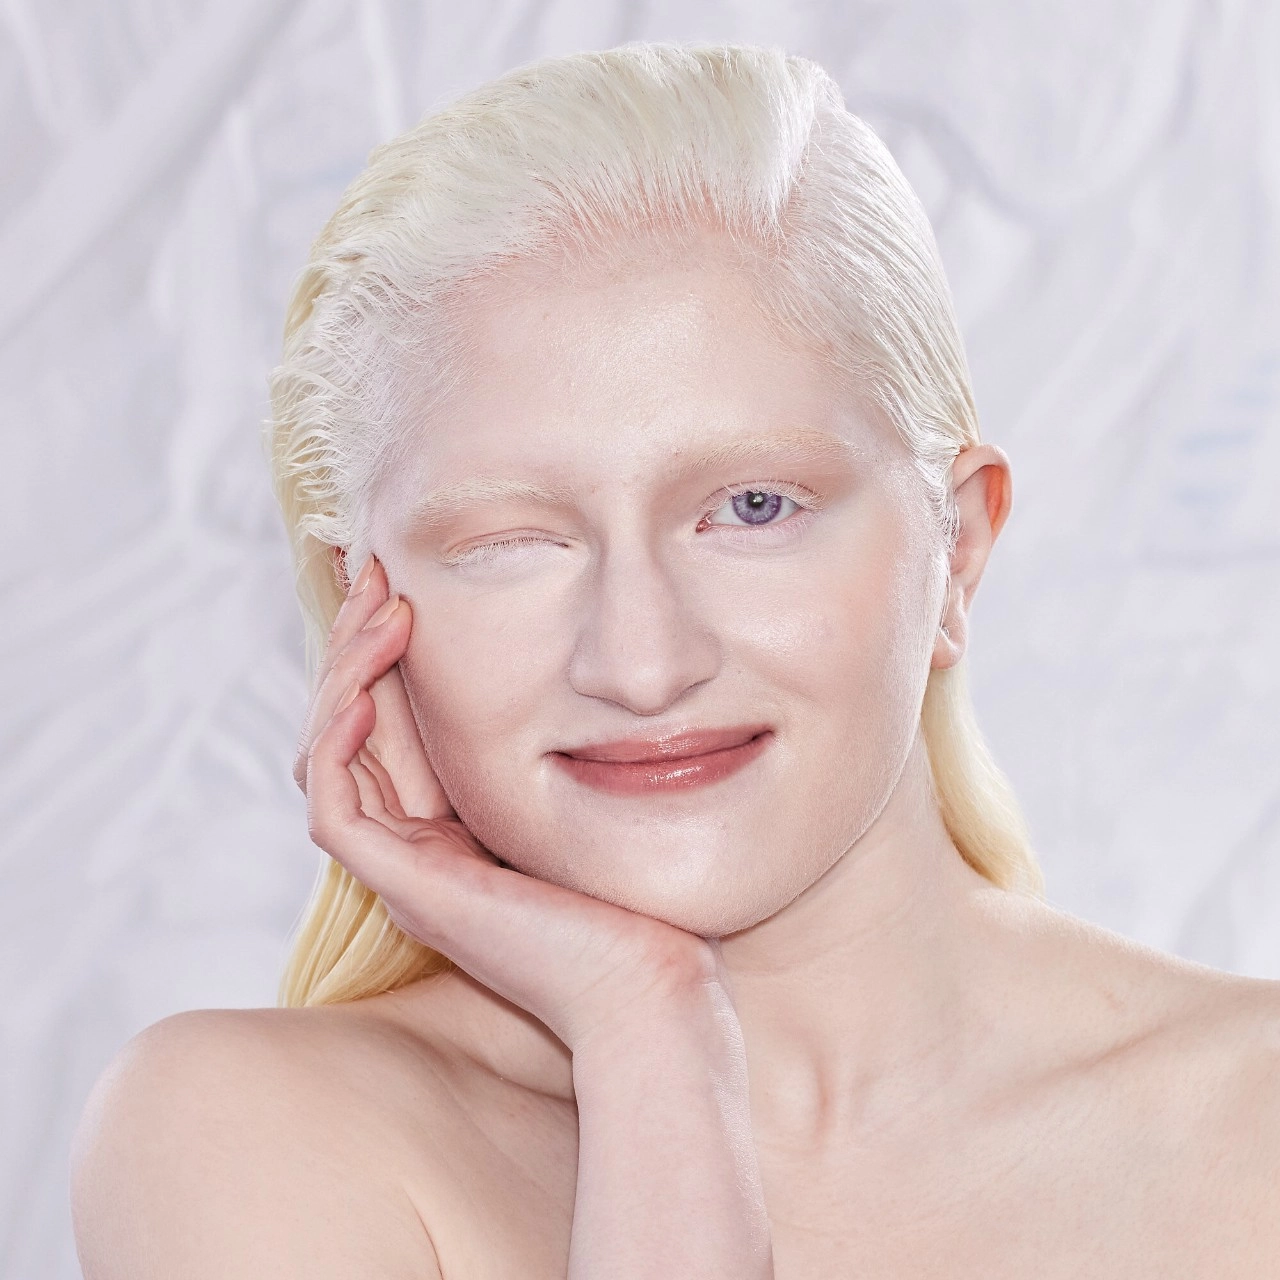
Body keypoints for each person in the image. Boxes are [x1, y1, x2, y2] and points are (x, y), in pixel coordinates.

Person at [70, 42, 1279, 1279]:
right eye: (511, 541)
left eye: (752, 507)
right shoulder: (255, 1138)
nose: (640, 663)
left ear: (955, 547)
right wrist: (647, 1030)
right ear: (359, 608)